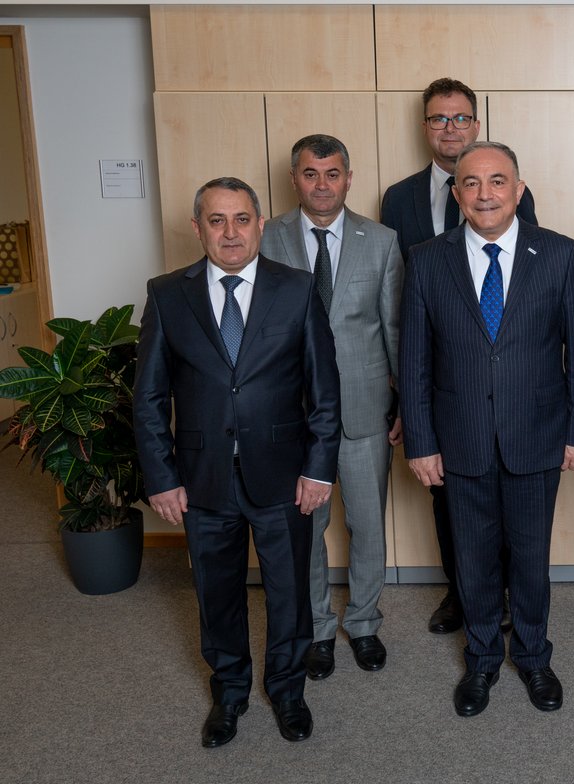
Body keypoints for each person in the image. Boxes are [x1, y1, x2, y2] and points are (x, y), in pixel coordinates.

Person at [133, 177, 340, 747]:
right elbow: (149, 396)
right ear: (197, 227)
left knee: (289, 593)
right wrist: (162, 476)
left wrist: (319, 468)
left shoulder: (296, 289)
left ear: (259, 224)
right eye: (217, 220)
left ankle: (288, 691)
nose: (230, 232)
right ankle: (228, 694)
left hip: (284, 474)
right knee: (217, 594)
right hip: (200, 480)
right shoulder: (167, 293)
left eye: (242, 219)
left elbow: (325, 391)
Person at [399, 141, 574, 718]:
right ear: (456, 192)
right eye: (471, 184)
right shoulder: (427, 259)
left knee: (531, 557)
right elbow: (414, 360)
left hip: (536, 434)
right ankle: (483, 659)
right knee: (474, 558)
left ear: (518, 188)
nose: (484, 194)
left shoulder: (559, 254)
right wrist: (421, 441)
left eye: (497, 182)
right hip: (458, 439)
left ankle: (534, 656)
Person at [381, 77, 536, 634]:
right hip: (439, 384)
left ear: (476, 121)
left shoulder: (509, 188)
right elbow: (398, 303)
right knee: (449, 504)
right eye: (439, 119)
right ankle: (463, 592)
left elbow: (526, 291)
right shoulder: (398, 199)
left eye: (460, 118)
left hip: (503, 382)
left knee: (512, 508)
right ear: (425, 128)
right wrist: (407, 399)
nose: (450, 128)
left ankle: (513, 600)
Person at [260, 134, 403, 681]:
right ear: (294, 178)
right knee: (308, 528)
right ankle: (318, 628)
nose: (323, 184)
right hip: (293, 416)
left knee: (367, 526)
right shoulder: (266, 237)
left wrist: (405, 407)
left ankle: (364, 623)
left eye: (333, 173)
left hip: (366, 410)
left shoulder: (383, 241)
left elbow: (394, 330)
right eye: (311, 173)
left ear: (349, 177)